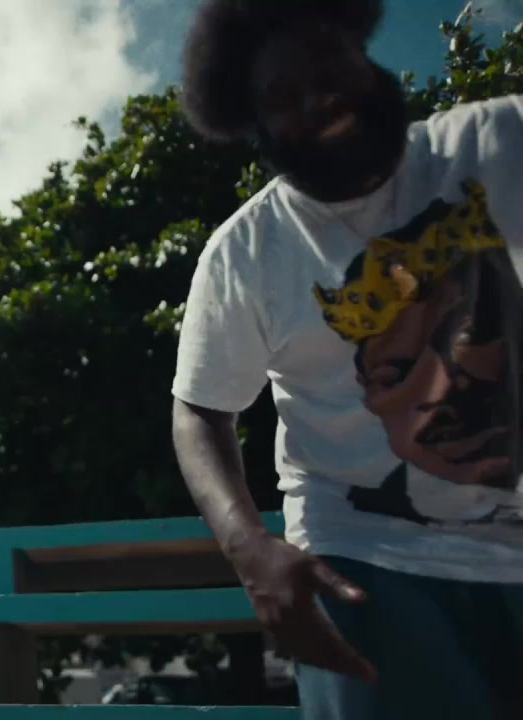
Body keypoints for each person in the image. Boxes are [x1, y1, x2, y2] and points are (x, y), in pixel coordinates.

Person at [171, 1, 523, 717]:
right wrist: (248, 548)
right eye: (284, 95)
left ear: (365, 51)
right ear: (253, 125)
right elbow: (200, 408)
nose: (321, 99)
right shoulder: (247, 253)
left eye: (330, 65)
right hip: (364, 559)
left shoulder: (496, 143)